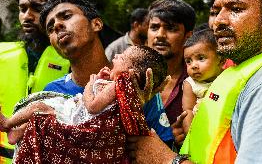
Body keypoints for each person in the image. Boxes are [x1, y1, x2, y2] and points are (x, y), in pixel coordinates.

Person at [127, 0, 262, 163]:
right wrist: (191, 136)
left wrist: (165, 159)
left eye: (236, 9)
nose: (219, 21)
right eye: (216, 11)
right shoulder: (241, 71)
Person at [1, 45, 168, 163]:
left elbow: (92, 106)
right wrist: (102, 80)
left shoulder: (117, 87)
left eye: (122, 57)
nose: (116, 56)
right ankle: (17, 133)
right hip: (78, 115)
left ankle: (8, 123)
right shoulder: (125, 95)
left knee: (40, 109)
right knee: (41, 114)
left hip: (77, 118)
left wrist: (90, 84)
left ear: (129, 73)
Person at [0, 0, 69, 163]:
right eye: (23, 9)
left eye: (36, 8)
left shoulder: (72, 60)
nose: (27, 16)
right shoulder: (2, 54)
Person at [146, 0, 196, 126]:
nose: (160, 35)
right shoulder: (128, 75)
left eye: (171, 28)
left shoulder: (200, 81)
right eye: (154, 27)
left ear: (188, 36)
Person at [181, 29, 224, 135]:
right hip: (202, 130)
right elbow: (188, 110)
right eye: (188, 61)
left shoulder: (228, 77)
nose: (194, 65)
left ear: (221, 59)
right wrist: (191, 137)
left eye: (201, 58)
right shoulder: (191, 84)